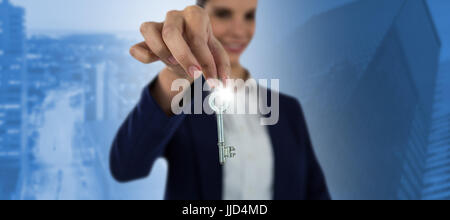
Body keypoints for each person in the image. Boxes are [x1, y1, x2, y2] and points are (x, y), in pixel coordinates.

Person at [109, 0, 330, 200]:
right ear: (200, 21)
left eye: (249, 16)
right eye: (224, 14)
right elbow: (126, 166)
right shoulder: (183, 106)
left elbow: (315, 191)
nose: (239, 30)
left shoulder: (287, 110)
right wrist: (177, 75)